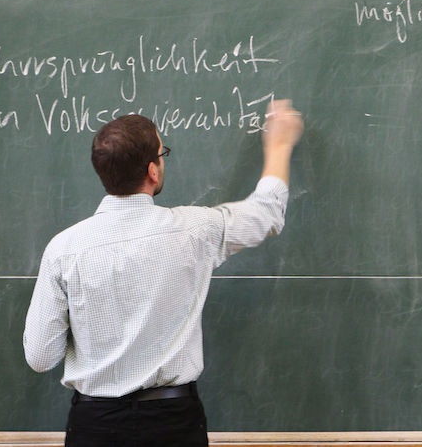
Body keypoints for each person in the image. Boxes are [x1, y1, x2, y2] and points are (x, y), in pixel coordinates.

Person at [23, 99, 304, 446]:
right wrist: (279, 146)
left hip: (95, 424)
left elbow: (40, 357)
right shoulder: (195, 231)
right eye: (162, 153)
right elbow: (266, 213)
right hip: (173, 422)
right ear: (153, 171)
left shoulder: (64, 250)